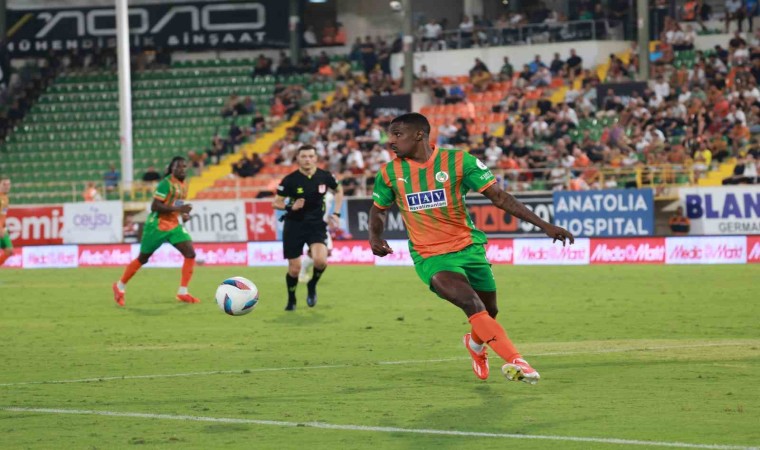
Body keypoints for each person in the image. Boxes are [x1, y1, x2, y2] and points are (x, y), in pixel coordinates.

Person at [369, 113, 574, 384]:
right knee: (471, 303)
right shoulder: (389, 173)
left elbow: (499, 197)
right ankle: (518, 361)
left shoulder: (459, 161)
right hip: (431, 255)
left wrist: (544, 225)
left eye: (397, 134)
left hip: (469, 248)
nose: (391, 141)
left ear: (419, 135)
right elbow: (378, 209)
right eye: (390, 135)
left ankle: (475, 345)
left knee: (490, 312)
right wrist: (374, 236)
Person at [112, 157, 198, 307]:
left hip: (173, 225)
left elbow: (176, 204)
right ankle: (119, 286)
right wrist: (178, 209)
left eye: (184, 167)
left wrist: (183, 214)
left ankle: (183, 292)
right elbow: (155, 206)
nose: (182, 169)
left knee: (190, 253)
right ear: (172, 169)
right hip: (156, 226)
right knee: (143, 258)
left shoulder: (184, 185)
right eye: (178, 167)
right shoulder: (166, 183)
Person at [273, 145, 343, 311]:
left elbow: (339, 190)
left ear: (316, 158)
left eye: (311, 156)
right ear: (298, 158)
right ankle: (292, 299)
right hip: (294, 226)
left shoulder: (325, 176)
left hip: (316, 225)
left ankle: (312, 285)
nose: (307, 159)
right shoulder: (290, 180)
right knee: (294, 269)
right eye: (304, 156)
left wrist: (336, 213)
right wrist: (290, 207)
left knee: (321, 261)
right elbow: (276, 203)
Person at [299, 190, 336, 283]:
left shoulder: (330, 196)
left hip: (323, 228)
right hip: (314, 228)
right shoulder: (312, 194)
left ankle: (303, 272)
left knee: (325, 252)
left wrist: (330, 220)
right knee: (317, 253)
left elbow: (325, 212)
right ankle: (302, 272)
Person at [0, 177, 14, 267]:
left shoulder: (5, 198)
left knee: (9, 251)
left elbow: (2, 215)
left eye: (8, 184)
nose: (7, 186)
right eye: (4, 184)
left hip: (2, 228)